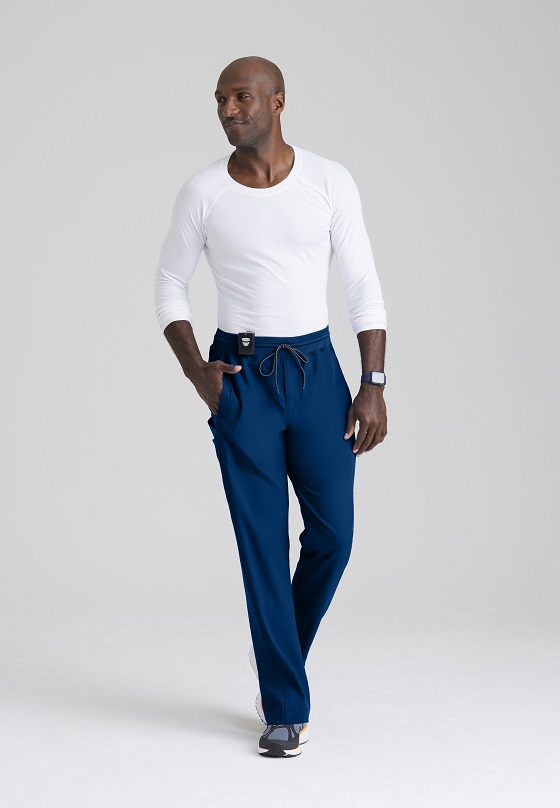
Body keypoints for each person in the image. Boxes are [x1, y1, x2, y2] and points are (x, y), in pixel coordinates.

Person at [153, 55, 388, 758]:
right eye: (220, 99)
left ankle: (280, 661)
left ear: (278, 101)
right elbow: (168, 285)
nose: (228, 110)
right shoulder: (203, 192)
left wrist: (374, 383)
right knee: (262, 544)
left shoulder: (328, 180)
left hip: (317, 374)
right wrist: (199, 373)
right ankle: (285, 707)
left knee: (333, 537)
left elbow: (363, 285)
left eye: (242, 98)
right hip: (241, 377)